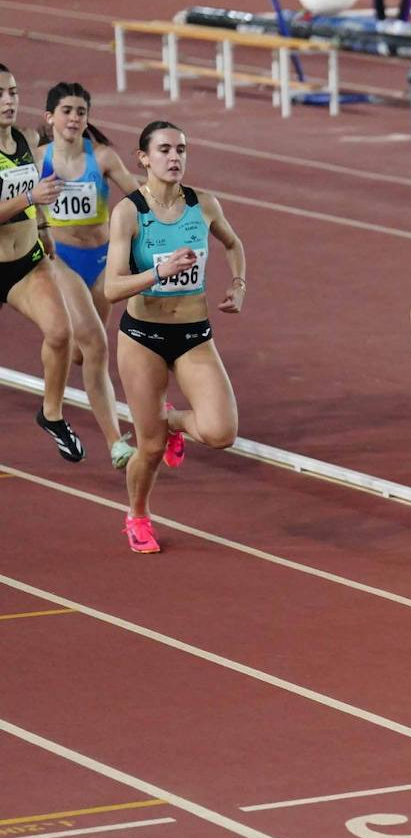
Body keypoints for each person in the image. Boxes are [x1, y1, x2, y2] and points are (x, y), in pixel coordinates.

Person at [104, 121, 246, 553]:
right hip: (143, 336)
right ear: (143, 158)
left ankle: (173, 422)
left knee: (222, 432)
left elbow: (233, 243)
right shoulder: (129, 212)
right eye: (164, 150)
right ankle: (138, 515)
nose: (175, 158)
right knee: (148, 448)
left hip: (193, 333)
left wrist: (238, 284)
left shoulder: (203, 205)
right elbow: (111, 288)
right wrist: (157, 273)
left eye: (181, 149)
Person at [39, 82, 140, 468]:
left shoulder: (103, 158)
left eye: (81, 112)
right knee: (98, 347)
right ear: (50, 118)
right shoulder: (37, 159)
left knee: (82, 355)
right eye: (67, 111)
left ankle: (57, 347)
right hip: (59, 260)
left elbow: (138, 200)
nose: (75, 118)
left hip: (101, 262)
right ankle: (117, 444)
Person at [0, 63, 84, 463]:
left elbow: (38, 190)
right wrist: (30, 200)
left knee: (61, 332)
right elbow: (29, 195)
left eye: (13, 92)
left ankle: (51, 413)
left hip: (24, 263)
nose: (8, 101)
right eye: (0, 94)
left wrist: (46, 227)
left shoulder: (27, 138)